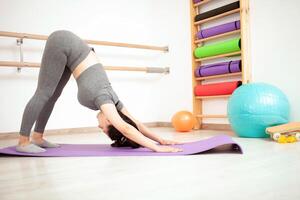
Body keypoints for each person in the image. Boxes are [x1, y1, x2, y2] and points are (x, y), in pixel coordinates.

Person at [17, 30, 182, 153]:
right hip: (63, 43)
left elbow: (135, 124)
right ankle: (23, 142)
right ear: (111, 121)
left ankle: (37, 138)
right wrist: (156, 148)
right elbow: (126, 128)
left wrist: (160, 139)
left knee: (52, 96)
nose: (99, 127)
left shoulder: (114, 101)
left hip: (72, 54)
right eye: (104, 129)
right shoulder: (104, 99)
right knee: (44, 92)